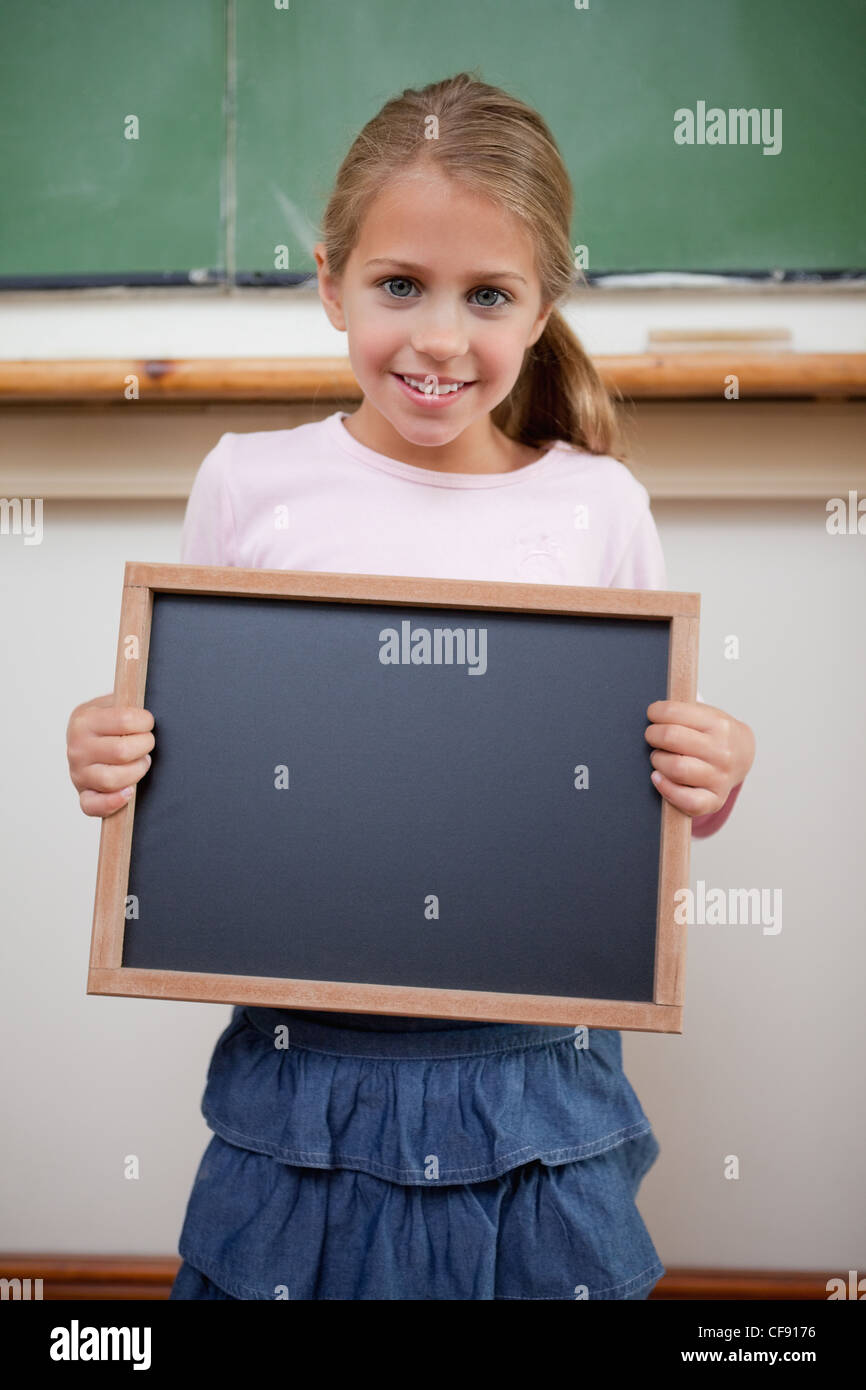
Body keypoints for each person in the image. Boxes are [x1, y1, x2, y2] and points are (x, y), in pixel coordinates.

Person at [66, 71, 755, 1300]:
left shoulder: (594, 505)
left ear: (541, 308)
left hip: (534, 1077)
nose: (440, 337)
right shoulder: (249, 484)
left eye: (487, 295)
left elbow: (645, 799)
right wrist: (110, 748)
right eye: (400, 286)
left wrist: (712, 775)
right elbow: (187, 747)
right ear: (330, 280)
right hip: (302, 1070)